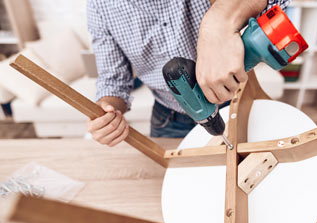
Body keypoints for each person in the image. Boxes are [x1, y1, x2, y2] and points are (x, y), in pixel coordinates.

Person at [86, 0, 290, 146]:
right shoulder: (99, 6)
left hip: (237, 100)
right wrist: (108, 113)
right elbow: (112, 82)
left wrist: (218, 25)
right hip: (168, 119)